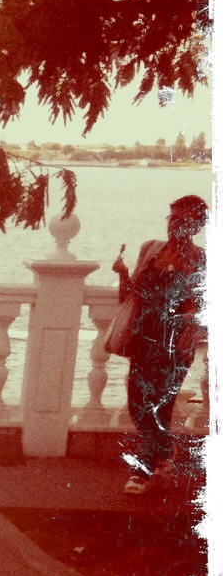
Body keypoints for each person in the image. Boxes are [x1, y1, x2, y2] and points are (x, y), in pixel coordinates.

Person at [112, 194, 207, 494]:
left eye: (182, 220)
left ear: (197, 226)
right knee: (137, 405)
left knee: (159, 408)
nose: (173, 225)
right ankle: (164, 453)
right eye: (172, 218)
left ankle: (143, 472)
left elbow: (203, 307)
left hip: (175, 344)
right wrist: (122, 274)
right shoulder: (151, 250)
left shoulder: (202, 260)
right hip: (143, 338)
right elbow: (129, 296)